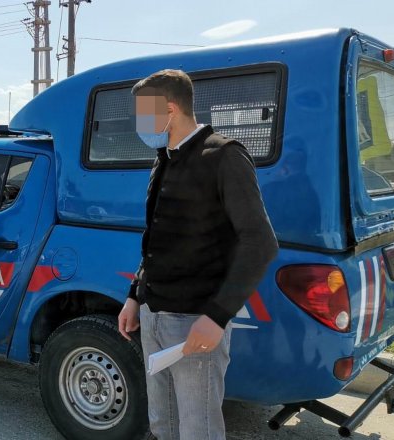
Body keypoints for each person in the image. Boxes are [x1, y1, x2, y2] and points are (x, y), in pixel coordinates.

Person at [116, 70, 278, 440]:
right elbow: (155, 238)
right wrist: (134, 297)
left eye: (144, 113)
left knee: (198, 431)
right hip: (153, 316)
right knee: (163, 425)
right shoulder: (164, 158)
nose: (140, 123)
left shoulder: (223, 156)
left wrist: (217, 317)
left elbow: (260, 242)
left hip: (193, 324)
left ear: (169, 109)